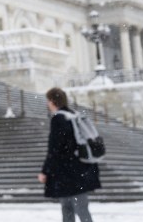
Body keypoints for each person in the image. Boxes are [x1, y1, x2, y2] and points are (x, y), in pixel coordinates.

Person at [37, 87, 101, 222]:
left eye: (48, 100)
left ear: (53, 101)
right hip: (80, 168)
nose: (47, 104)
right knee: (74, 207)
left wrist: (45, 171)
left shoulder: (59, 119)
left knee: (72, 209)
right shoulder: (73, 115)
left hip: (68, 172)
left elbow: (54, 148)